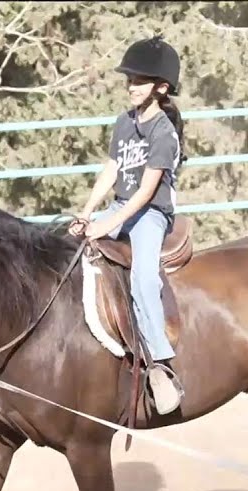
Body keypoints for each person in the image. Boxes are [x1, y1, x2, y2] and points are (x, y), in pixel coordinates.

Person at [72, 35, 187, 415]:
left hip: (150, 214)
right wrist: (88, 212)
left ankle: (159, 365)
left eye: (139, 80)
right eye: (130, 79)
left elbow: (147, 191)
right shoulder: (125, 122)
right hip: (121, 205)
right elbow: (112, 170)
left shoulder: (163, 134)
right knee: (70, 248)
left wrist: (110, 224)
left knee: (142, 279)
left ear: (161, 87)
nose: (131, 86)